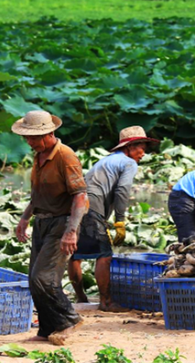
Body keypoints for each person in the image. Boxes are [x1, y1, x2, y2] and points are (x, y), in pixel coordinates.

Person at [12, 110, 89, 345]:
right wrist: (25, 218)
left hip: (61, 222)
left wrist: (71, 231)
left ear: (49, 133)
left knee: (43, 278)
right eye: (27, 137)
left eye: (33, 138)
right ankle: (47, 328)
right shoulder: (39, 156)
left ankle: (69, 319)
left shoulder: (66, 156)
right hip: (42, 221)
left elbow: (80, 195)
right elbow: (37, 194)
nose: (28, 142)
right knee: (33, 279)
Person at [67, 126, 159, 312]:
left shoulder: (106, 160)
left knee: (76, 254)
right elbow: (122, 191)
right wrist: (120, 221)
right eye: (141, 147)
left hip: (77, 204)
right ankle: (106, 302)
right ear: (130, 147)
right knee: (105, 254)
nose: (144, 153)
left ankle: (81, 297)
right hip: (93, 206)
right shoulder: (128, 162)